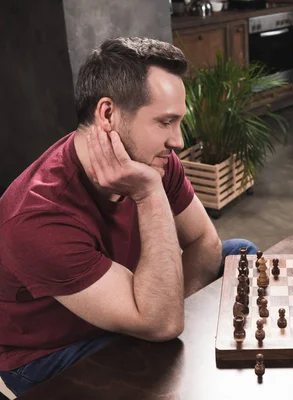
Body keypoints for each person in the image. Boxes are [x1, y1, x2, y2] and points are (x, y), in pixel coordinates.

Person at [0, 37, 257, 396]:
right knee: (164, 344)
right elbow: (163, 322)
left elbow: (204, 241)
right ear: (108, 114)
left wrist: (164, 311)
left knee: (238, 252)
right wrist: (148, 193)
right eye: (165, 122)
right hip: (55, 350)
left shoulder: (153, 158)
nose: (178, 141)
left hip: (134, 302)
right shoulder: (37, 216)